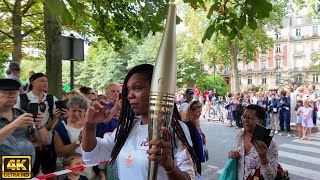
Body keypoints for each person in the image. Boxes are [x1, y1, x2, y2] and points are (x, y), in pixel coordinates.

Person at [81, 64, 196, 179]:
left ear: (156, 90)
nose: (130, 95)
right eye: (128, 90)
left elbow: (189, 177)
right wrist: (90, 126)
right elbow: (91, 156)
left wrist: (169, 165)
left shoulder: (173, 128)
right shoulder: (127, 129)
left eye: (137, 88)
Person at [0, 78, 49, 178]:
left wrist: (39, 125)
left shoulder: (21, 113)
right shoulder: (19, 119)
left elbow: (44, 141)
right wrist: (14, 124)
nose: (11, 95)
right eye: (6, 92)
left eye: (14, 92)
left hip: (23, 172)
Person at [14, 72, 58, 175]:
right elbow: (16, 118)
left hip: (47, 140)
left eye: (46, 81)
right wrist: (33, 134)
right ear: (32, 82)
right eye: (42, 80)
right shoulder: (22, 98)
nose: (45, 83)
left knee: (49, 172)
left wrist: (42, 130)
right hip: (26, 140)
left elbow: (55, 118)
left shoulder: (51, 99)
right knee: (27, 172)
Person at [228, 105, 278, 180]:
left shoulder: (270, 144)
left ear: (260, 121)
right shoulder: (240, 134)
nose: (245, 120)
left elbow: (271, 177)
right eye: (244, 116)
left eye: (250, 117)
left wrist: (263, 157)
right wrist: (234, 155)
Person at [184, 101, 206, 175]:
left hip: (197, 158)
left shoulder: (195, 122)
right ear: (191, 111)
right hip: (193, 159)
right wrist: (193, 162)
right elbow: (189, 146)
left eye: (200, 112)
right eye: (197, 112)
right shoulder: (188, 125)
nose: (200, 114)